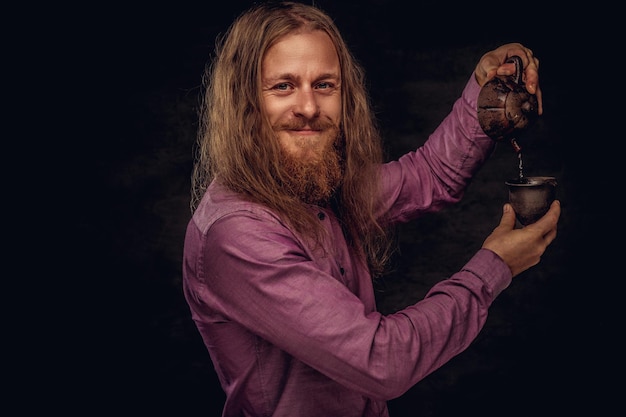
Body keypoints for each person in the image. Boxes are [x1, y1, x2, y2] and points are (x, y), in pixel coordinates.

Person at [182, 2, 560, 416]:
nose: (309, 107)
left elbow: (431, 176)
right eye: (284, 86)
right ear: (244, 100)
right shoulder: (236, 231)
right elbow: (381, 361)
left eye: (324, 85)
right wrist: (494, 268)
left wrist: (482, 84)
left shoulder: (313, 180)